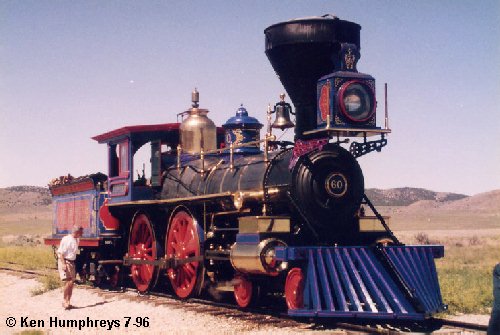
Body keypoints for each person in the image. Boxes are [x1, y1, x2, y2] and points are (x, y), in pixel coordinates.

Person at [57, 225, 83, 309]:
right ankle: (65, 301)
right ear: (77, 232)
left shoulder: (77, 239)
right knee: (68, 282)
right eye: (81, 232)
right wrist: (63, 264)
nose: (82, 234)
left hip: (72, 262)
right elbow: (61, 253)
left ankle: (68, 301)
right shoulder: (66, 240)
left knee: (71, 283)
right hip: (65, 261)